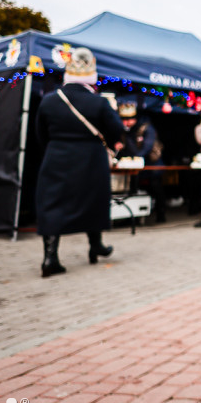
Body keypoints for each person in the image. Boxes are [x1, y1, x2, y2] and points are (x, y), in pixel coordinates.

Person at [35, 47, 123, 277]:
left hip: (56, 157)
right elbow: (116, 130)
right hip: (91, 159)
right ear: (91, 77)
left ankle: (50, 258)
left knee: (53, 204)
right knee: (93, 200)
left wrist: (54, 148)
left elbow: (40, 134)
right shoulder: (100, 103)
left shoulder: (49, 101)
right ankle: (96, 245)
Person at [115, 102, 166, 223]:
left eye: (128, 120)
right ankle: (133, 215)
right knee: (133, 187)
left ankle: (161, 214)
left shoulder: (147, 128)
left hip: (152, 163)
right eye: (123, 120)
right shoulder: (126, 131)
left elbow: (147, 147)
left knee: (156, 187)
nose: (125, 123)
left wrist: (136, 158)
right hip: (135, 165)